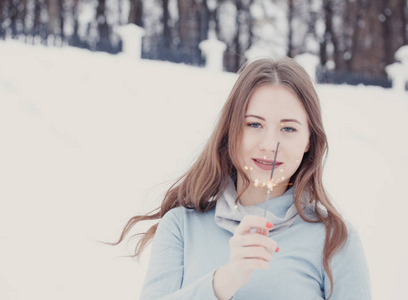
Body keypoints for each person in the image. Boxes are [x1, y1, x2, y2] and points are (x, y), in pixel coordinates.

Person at [111, 57, 371, 299]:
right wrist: (225, 280)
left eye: (288, 128)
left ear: (309, 141)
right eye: (254, 124)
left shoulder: (336, 240)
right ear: (230, 130)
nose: (270, 144)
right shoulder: (181, 227)